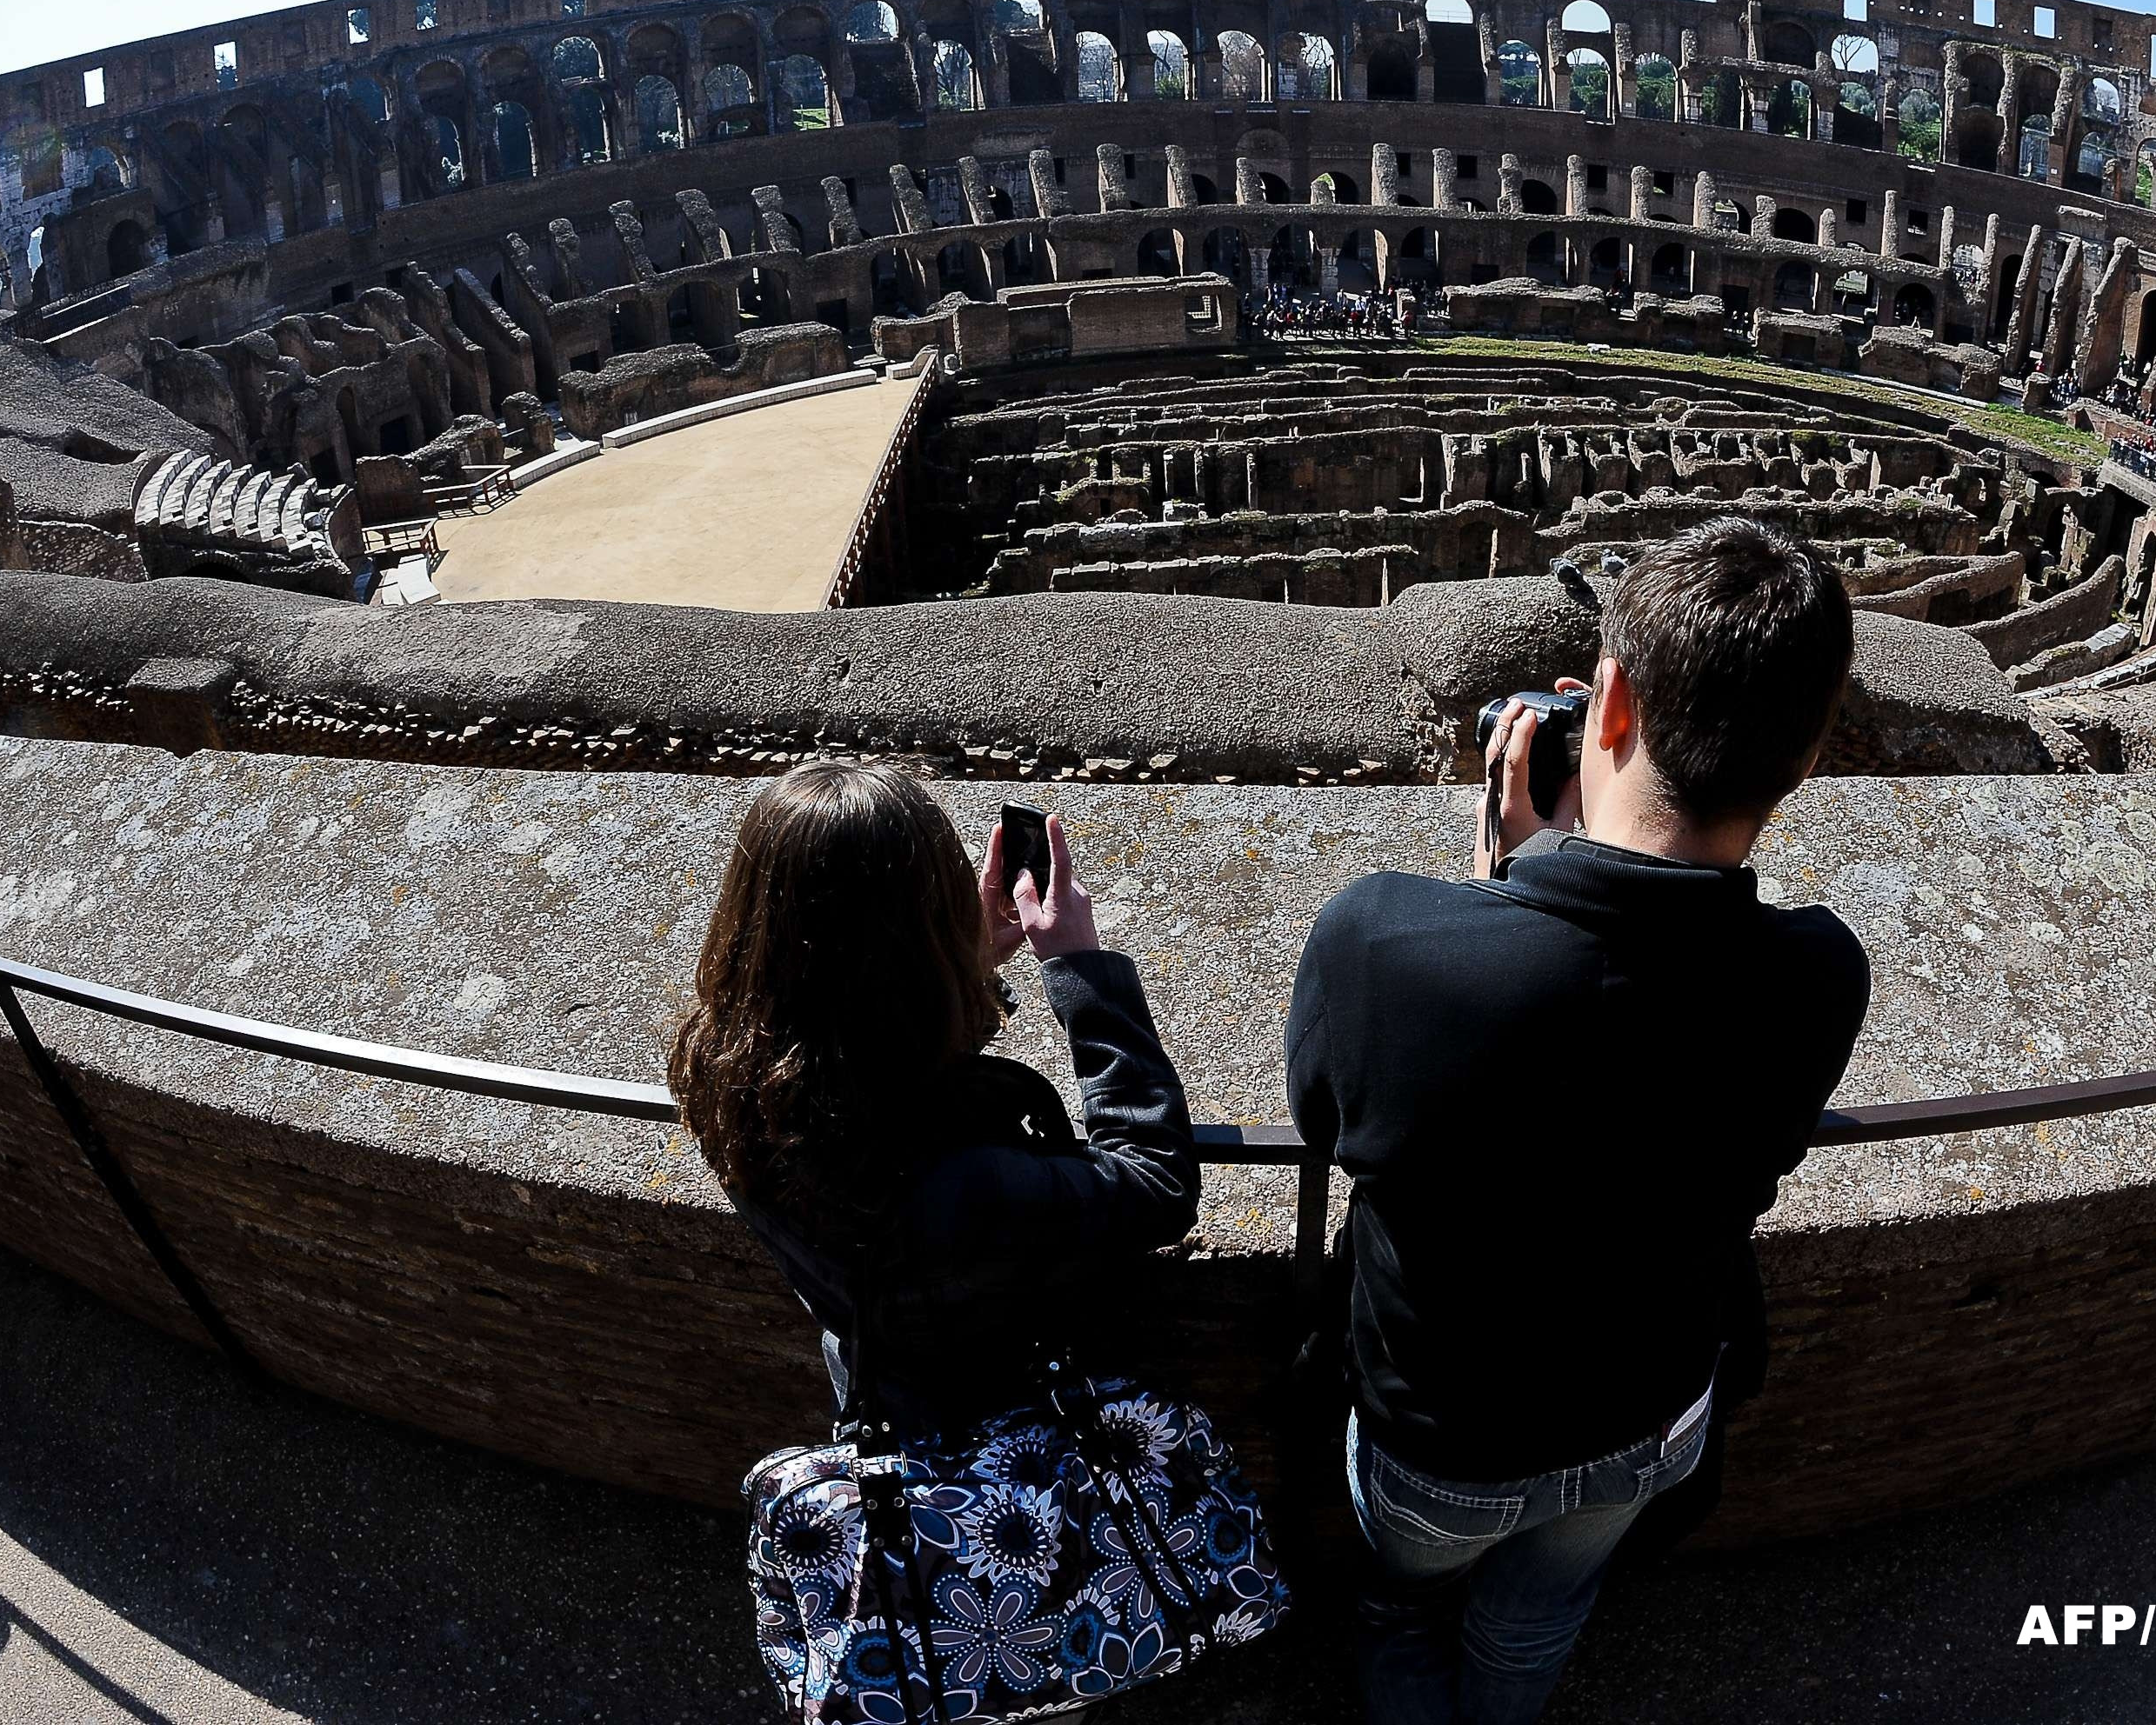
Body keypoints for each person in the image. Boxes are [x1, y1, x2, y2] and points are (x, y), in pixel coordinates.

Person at [1286, 520, 1871, 1725]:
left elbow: (1329, 1113)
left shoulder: (1385, 945)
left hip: (1439, 1437)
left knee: (1406, 1604)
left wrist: (1511, 877)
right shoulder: (1820, 975)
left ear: (1608, 707)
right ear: (1809, 758)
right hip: (1648, 1419)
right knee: (1540, 1614)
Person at [670, 760, 1198, 1439]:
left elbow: (856, 1059)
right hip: (998, 1434)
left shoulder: (717, 1067)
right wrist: (1082, 972)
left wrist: (963, 969)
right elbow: (1156, 1184)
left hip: (877, 1391)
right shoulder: (963, 1186)